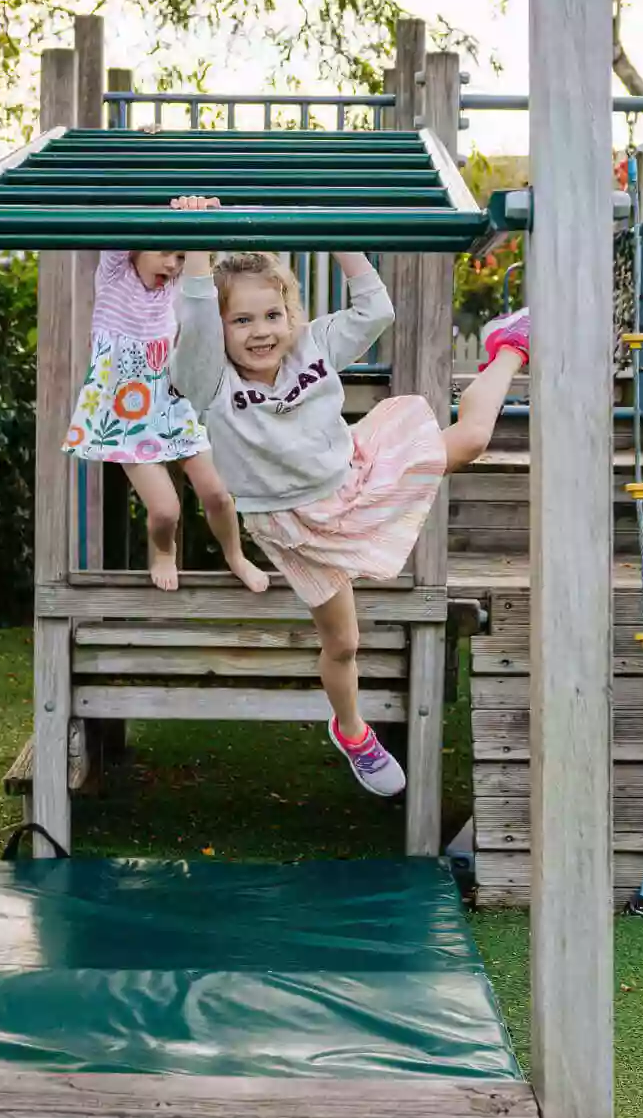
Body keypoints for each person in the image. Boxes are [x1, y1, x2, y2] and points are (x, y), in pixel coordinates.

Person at [169, 196, 529, 798]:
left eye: (272, 315)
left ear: (291, 314)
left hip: (352, 484)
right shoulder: (209, 378)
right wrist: (197, 243)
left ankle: (510, 346)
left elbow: (375, 307)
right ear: (221, 331)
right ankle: (354, 730)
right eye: (242, 321)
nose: (261, 332)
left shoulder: (312, 345)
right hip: (293, 529)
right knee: (343, 643)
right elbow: (200, 314)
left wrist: (335, 229)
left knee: (471, 439)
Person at [63, 248, 271, 592]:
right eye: (163, 253)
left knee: (217, 494)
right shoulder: (115, 274)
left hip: (171, 405)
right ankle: (163, 550)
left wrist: (199, 208)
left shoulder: (175, 287)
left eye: (179, 256)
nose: (172, 264)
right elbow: (121, 215)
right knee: (165, 511)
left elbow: (202, 258)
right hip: (126, 418)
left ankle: (235, 556)